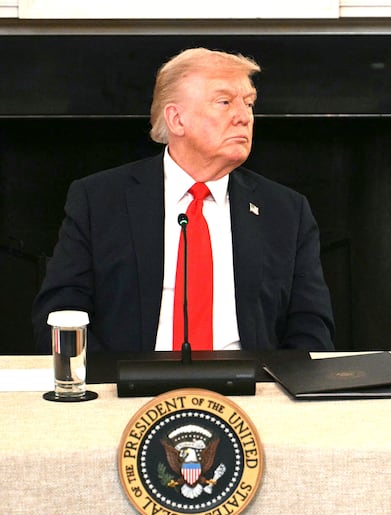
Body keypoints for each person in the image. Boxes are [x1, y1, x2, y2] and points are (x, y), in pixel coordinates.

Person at [32, 47, 335, 353]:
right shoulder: (99, 200)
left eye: (249, 103)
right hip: (129, 390)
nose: (244, 117)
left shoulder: (286, 210)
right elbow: (60, 311)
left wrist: (277, 394)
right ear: (177, 120)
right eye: (224, 102)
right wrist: (108, 387)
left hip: (250, 392)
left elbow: (310, 325)